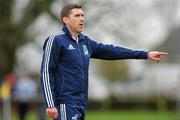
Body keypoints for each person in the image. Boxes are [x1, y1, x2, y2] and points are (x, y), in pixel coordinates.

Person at [40, 4, 168, 120]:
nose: (82, 19)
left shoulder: (85, 42)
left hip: (81, 103)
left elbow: (112, 51)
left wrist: (145, 54)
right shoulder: (56, 40)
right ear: (65, 20)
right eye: (77, 15)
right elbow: (46, 72)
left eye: (83, 15)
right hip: (65, 103)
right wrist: (50, 104)